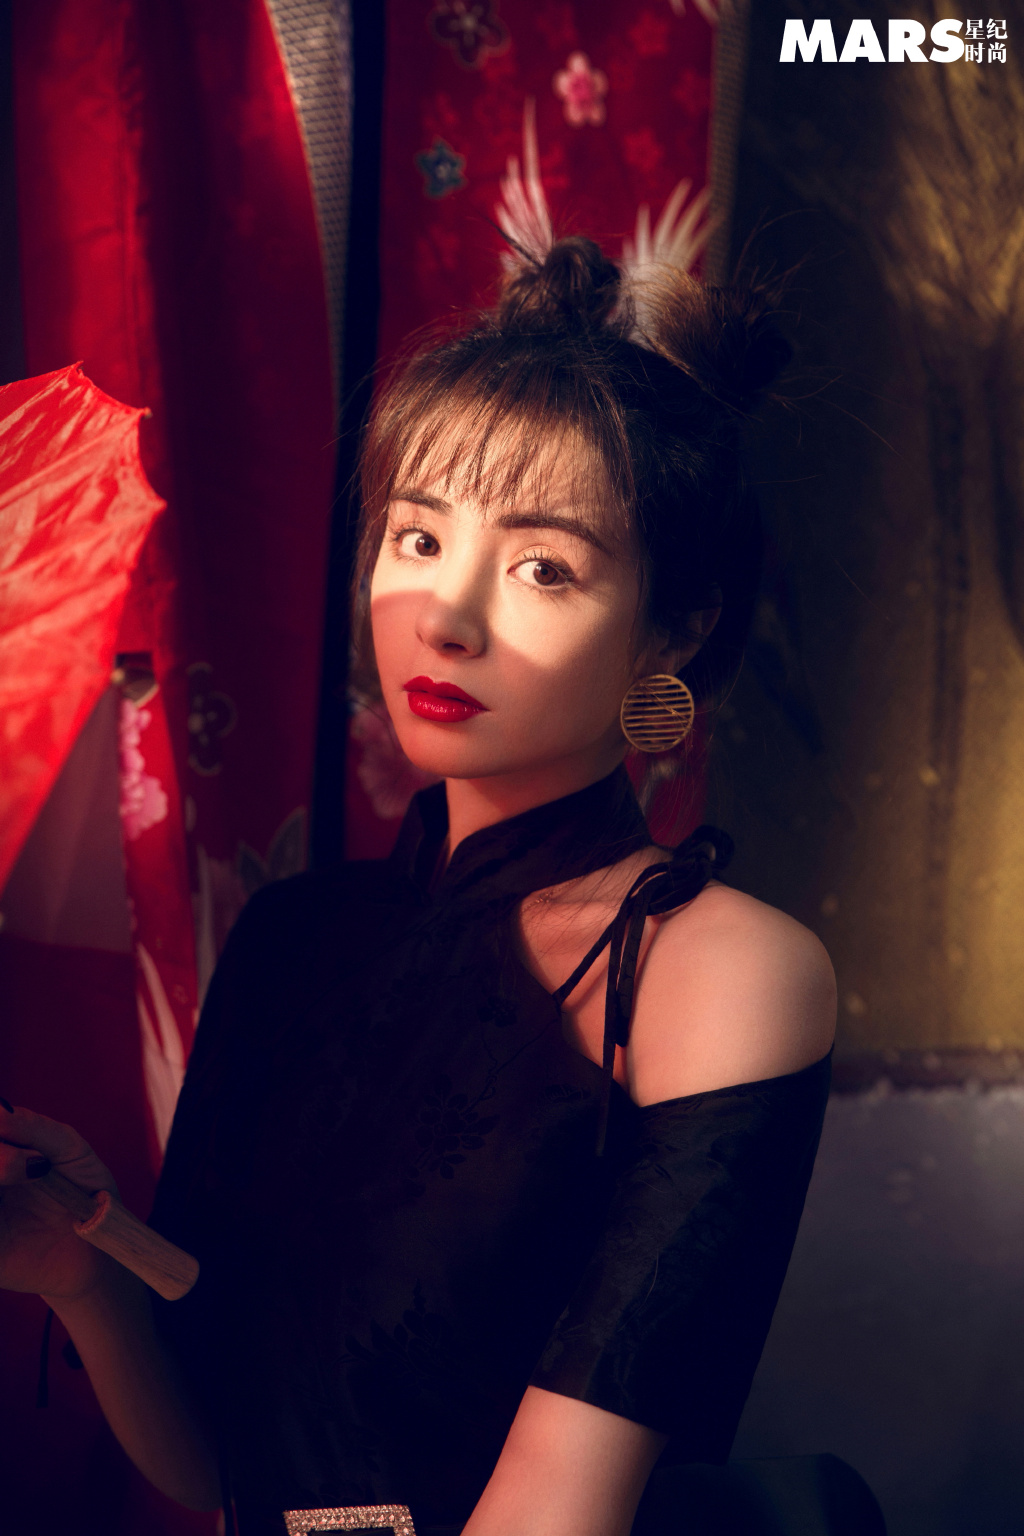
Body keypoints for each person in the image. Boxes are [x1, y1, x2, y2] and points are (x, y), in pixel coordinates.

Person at [0, 235, 840, 1536]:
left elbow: (560, 1513)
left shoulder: (712, 971)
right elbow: (223, 1475)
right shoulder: (291, 941)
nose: (444, 615)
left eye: (544, 566)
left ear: (674, 632)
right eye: (416, 535)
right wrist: (82, 1267)